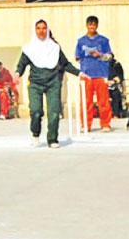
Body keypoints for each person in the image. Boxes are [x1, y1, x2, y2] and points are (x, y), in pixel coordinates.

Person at [15, 20, 85, 148]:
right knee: (36, 111)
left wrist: (79, 73)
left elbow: (65, 64)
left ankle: (52, 139)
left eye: (44, 28)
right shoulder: (29, 48)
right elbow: (22, 64)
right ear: (34, 30)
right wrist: (17, 74)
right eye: (38, 28)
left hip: (53, 82)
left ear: (47, 30)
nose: (41, 31)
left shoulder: (55, 47)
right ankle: (35, 134)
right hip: (35, 83)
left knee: (54, 112)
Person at [74, 16, 114, 132]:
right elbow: (77, 57)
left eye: (94, 25)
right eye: (90, 25)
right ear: (86, 25)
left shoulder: (104, 40)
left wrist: (100, 55)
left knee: (103, 101)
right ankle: (86, 124)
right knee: (86, 101)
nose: (92, 27)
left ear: (97, 25)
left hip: (101, 74)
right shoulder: (81, 41)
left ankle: (105, 123)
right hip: (87, 75)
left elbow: (110, 56)